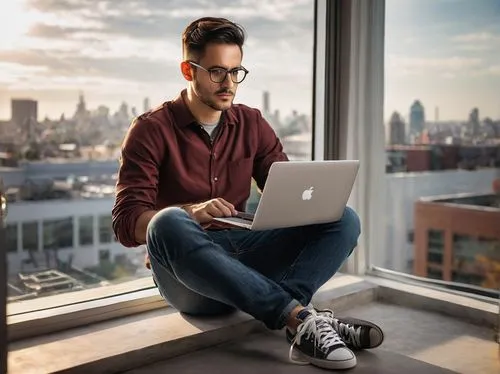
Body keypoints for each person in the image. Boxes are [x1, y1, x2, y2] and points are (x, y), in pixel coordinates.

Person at [112, 16, 383, 371]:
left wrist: (309, 202)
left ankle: (299, 321)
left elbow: (285, 192)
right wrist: (192, 213)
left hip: (248, 253)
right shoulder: (150, 130)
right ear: (187, 70)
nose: (229, 83)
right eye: (216, 72)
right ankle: (304, 319)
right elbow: (126, 223)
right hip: (191, 275)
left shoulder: (252, 122)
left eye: (236, 71)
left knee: (343, 218)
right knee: (167, 223)